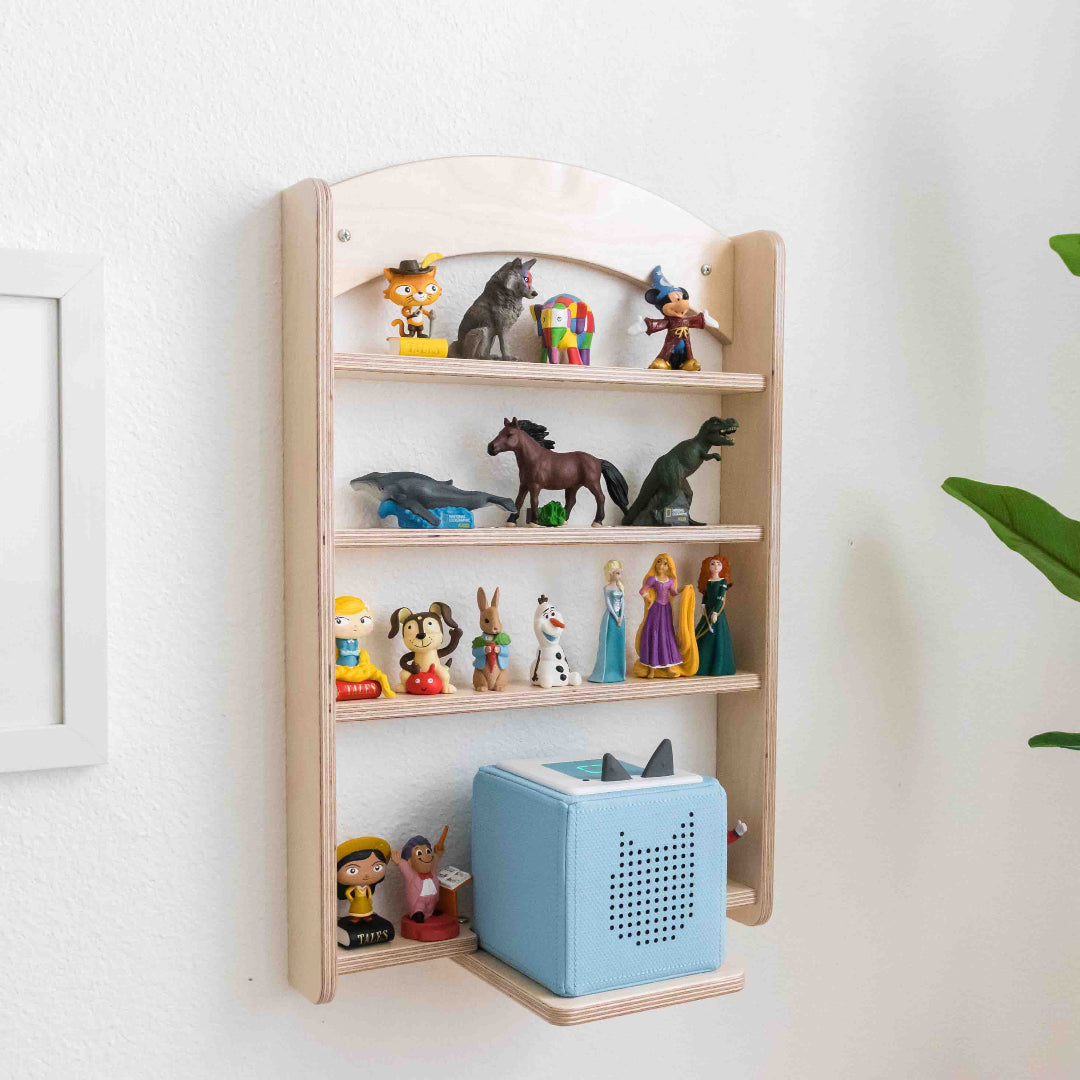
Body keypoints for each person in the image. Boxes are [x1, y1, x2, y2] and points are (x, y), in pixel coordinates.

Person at [695, 554, 736, 677]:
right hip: (707, 612)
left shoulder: (722, 582)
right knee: (702, 636)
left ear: (723, 567)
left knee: (717, 637)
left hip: (716, 613)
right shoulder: (708, 582)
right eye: (712, 564)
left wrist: (715, 612)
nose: (715, 566)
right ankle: (700, 665)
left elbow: (720, 598)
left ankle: (717, 667)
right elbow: (706, 596)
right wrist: (703, 605)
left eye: (718, 564)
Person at [588, 558, 626, 683]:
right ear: (611, 573)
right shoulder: (607, 588)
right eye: (617, 573)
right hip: (611, 619)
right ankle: (606, 672)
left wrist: (621, 616)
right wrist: (616, 617)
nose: (619, 575)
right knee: (608, 644)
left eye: (620, 573)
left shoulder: (620, 587)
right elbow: (608, 605)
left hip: (620, 619)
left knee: (619, 644)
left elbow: (623, 602)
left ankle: (618, 671)